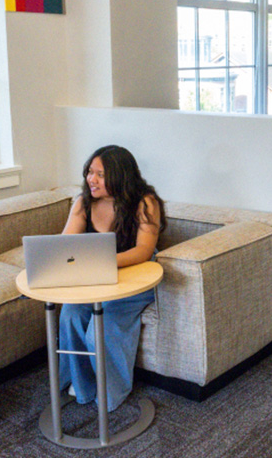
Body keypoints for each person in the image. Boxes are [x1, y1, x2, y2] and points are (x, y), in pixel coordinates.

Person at [58, 145, 166, 412]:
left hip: (135, 278)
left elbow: (143, 250)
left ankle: (112, 394)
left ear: (120, 176)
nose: (91, 179)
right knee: (70, 314)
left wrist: (100, 262)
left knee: (101, 329)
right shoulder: (84, 203)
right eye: (89, 172)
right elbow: (64, 245)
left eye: (100, 174)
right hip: (96, 277)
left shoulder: (145, 202)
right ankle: (84, 386)